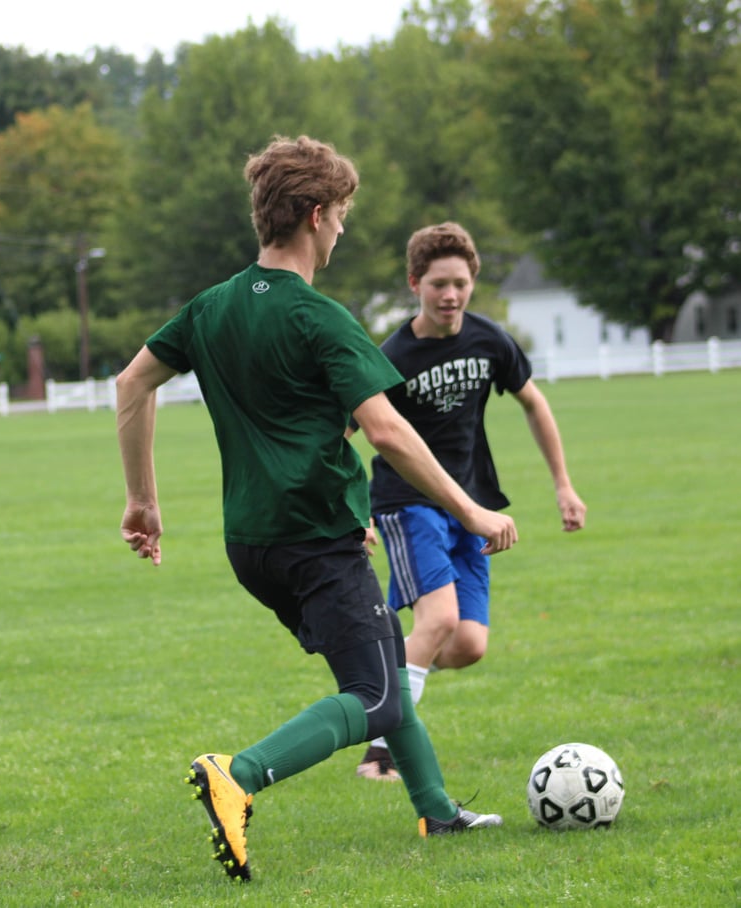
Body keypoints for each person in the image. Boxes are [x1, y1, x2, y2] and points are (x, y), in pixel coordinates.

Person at [115, 139, 518, 883]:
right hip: (316, 540)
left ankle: (435, 809)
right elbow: (388, 430)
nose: (342, 232)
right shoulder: (320, 319)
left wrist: (143, 501)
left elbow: (130, 385)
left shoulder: (210, 307)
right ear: (314, 214)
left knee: (381, 665)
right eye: (341, 217)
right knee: (373, 693)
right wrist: (470, 509)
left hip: (253, 545)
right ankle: (238, 774)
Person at [352, 221, 587, 782]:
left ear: (473, 281)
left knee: (468, 645)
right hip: (407, 502)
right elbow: (347, 433)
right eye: (438, 284)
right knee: (439, 621)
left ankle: (383, 673)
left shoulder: (488, 340)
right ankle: (379, 755)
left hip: (471, 505)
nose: (450, 295)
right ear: (415, 283)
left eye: (460, 282)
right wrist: (355, 512)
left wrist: (563, 485)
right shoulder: (392, 356)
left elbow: (535, 403)